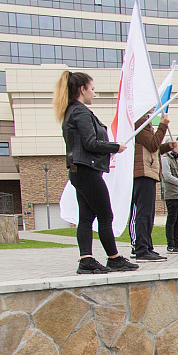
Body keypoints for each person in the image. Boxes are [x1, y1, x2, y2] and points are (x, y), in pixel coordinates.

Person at [54, 71, 137, 275]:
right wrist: (114, 146)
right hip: (87, 171)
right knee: (105, 215)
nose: (94, 93)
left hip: (79, 171)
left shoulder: (71, 112)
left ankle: (87, 259)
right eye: (92, 89)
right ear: (82, 90)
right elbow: (90, 143)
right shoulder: (80, 112)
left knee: (86, 217)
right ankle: (114, 258)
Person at [129, 109, 172, 261]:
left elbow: (154, 148)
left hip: (149, 171)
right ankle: (141, 248)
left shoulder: (144, 122)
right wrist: (163, 126)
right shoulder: (140, 122)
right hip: (143, 172)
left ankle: (146, 246)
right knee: (143, 212)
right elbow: (153, 144)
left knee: (148, 213)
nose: (154, 108)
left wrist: (167, 146)